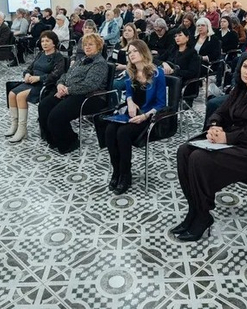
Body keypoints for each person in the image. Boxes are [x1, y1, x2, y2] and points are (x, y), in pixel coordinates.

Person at [172, 53, 247, 242]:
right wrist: (215, 125)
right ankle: (194, 210)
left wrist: (227, 137)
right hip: (235, 142)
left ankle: (202, 215)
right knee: (184, 151)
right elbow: (221, 112)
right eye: (245, 67)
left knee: (198, 159)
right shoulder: (240, 89)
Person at [98, 40, 166, 195]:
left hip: (148, 116)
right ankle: (117, 171)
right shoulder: (131, 72)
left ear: (143, 52)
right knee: (109, 130)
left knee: (122, 133)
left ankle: (125, 174)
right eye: (129, 52)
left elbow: (161, 103)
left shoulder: (157, 73)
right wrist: (129, 101)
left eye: (135, 51)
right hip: (131, 113)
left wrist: (144, 116)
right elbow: (129, 93)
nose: (131, 55)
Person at [38, 33, 110, 154]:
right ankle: (53, 139)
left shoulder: (99, 63)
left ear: (98, 46)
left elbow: (90, 85)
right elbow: (66, 75)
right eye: (85, 45)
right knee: (44, 106)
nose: (87, 47)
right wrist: (60, 84)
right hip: (71, 92)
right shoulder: (81, 59)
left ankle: (70, 142)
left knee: (56, 116)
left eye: (91, 44)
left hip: (91, 97)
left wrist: (67, 90)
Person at [5, 31, 67, 143]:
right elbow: (29, 67)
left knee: (20, 96)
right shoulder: (40, 54)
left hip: (44, 85)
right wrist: (27, 74)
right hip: (31, 82)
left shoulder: (58, 57)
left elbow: (56, 75)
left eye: (47, 41)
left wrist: (39, 78)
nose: (44, 43)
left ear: (54, 43)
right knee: (11, 94)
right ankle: (14, 124)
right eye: (42, 41)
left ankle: (22, 129)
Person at [110, 23, 140, 90]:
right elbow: (111, 59)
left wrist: (123, 67)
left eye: (129, 30)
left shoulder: (137, 46)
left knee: (113, 84)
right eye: (125, 30)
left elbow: (138, 65)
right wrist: (113, 65)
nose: (126, 32)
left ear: (134, 33)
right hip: (115, 71)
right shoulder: (118, 45)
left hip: (129, 73)